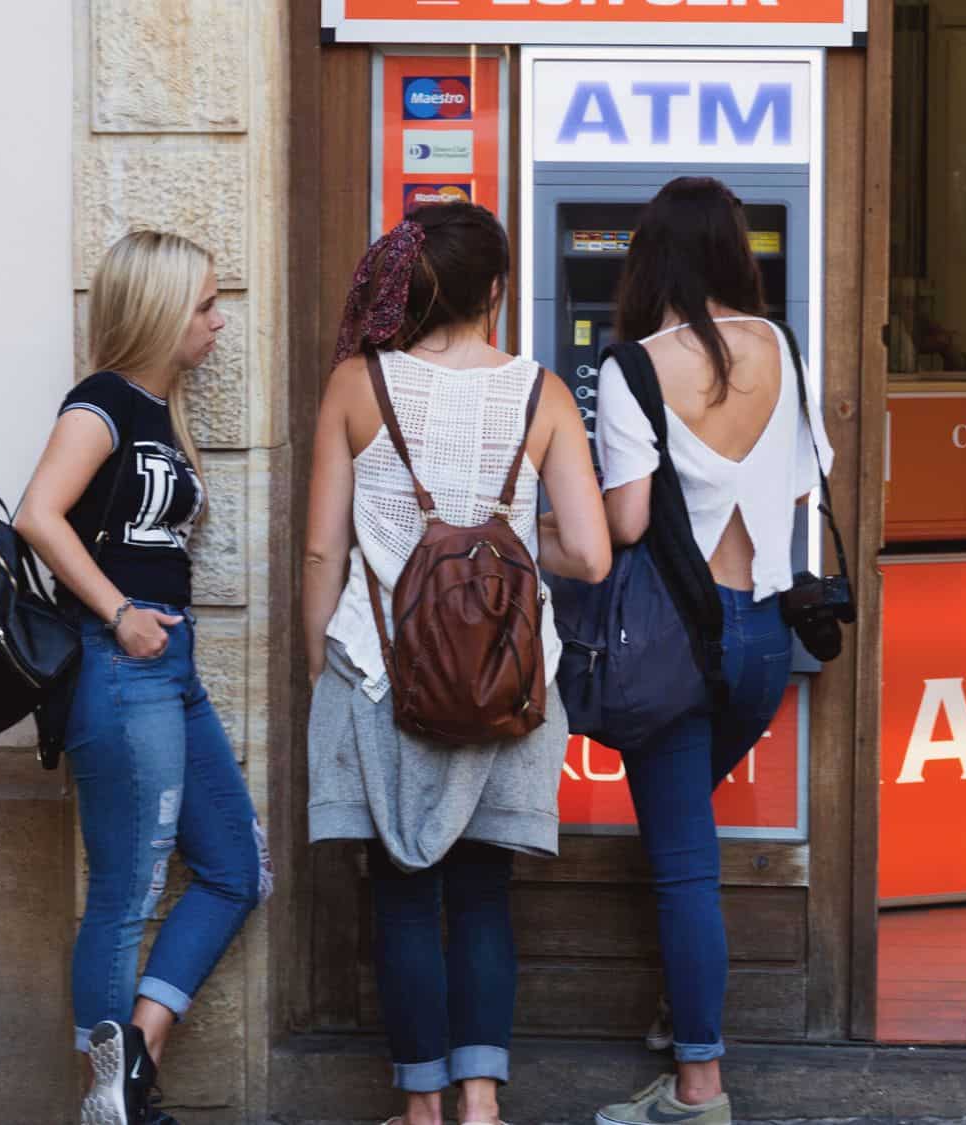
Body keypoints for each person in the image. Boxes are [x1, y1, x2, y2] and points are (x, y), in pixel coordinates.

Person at [301, 203, 610, 1125]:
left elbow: (324, 551)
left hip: (386, 674)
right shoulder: (543, 392)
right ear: (496, 293)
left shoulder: (358, 384)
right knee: (482, 892)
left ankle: (422, 1109)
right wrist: (511, 541)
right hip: (511, 679)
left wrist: (322, 661)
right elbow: (591, 554)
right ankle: (482, 1104)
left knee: (403, 891)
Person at [590, 177, 834, 1125]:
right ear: (737, 251)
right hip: (763, 640)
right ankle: (681, 1009)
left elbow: (626, 519)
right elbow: (806, 494)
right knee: (686, 840)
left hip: (674, 644)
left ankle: (698, 1088)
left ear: (651, 255)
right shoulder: (783, 350)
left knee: (685, 865)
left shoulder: (633, 367)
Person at [16, 230, 270, 1125]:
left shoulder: (160, 411)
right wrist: (118, 610)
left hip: (172, 664)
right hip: (121, 669)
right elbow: (37, 514)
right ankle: (106, 1093)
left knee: (237, 868)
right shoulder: (101, 404)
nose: (217, 322)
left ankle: (134, 1060)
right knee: (125, 891)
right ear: (161, 310)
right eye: (204, 304)